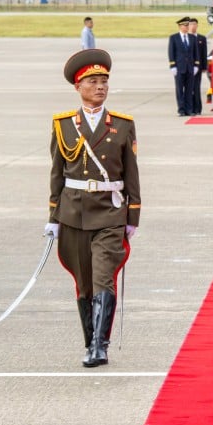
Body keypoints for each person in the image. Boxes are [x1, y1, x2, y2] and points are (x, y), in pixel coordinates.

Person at [47, 49, 141, 368]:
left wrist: (133, 215)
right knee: (84, 282)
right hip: (72, 214)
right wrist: (53, 218)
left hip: (110, 214)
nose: (100, 87)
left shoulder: (123, 125)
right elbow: (57, 173)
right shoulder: (62, 125)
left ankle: (100, 345)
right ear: (79, 87)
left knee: (104, 278)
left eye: (104, 82)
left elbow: (131, 173)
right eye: (93, 82)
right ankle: (89, 341)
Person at [167, 16, 198, 116]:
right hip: (179, 68)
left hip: (190, 68)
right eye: (185, 25)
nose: (187, 27)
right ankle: (181, 110)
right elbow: (171, 52)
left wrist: (196, 65)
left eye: (188, 25)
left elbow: (195, 52)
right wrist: (173, 66)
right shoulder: (174, 38)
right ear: (180, 26)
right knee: (180, 90)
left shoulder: (192, 38)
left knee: (189, 90)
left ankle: (189, 109)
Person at [188, 18, 207, 115]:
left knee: (196, 88)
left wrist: (204, 67)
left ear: (197, 25)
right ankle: (189, 108)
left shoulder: (201, 38)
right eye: (191, 24)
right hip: (187, 68)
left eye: (194, 24)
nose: (193, 26)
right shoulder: (186, 38)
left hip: (198, 68)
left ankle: (197, 108)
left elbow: (203, 53)